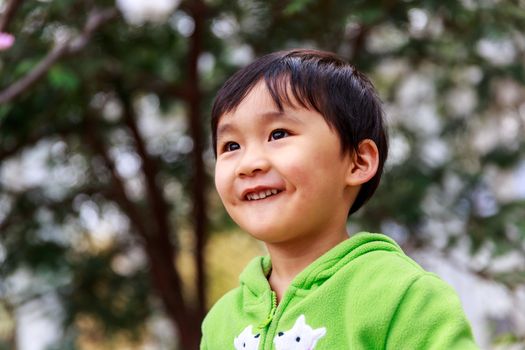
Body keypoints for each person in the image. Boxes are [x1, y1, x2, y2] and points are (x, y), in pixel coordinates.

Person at [201, 49, 478, 349]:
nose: (248, 163)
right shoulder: (221, 320)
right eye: (230, 145)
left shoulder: (403, 297)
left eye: (278, 134)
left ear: (358, 162)